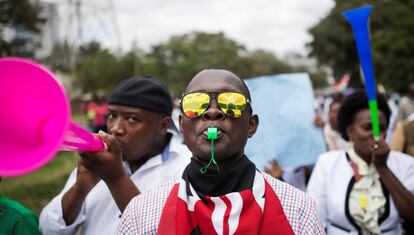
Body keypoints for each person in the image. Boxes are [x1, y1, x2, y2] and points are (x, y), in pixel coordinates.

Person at [117, 69, 324, 234]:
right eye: (195, 103)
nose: (212, 111)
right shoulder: (142, 213)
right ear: (181, 124)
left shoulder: (298, 209)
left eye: (231, 103)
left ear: (251, 125)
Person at [39, 77, 192, 235]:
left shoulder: (187, 167)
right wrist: (80, 189)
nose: (115, 129)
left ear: (163, 125)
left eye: (133, 119)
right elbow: (47, 229)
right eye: (111, 116)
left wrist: (116, 179)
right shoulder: (97, 163)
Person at [307, 90, 414, 234]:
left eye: (381, 129)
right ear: (350, 131)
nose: (377, 136)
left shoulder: (405, 164)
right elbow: (314, 218)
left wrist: (382, 168)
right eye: (367, 128)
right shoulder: (327, 164)